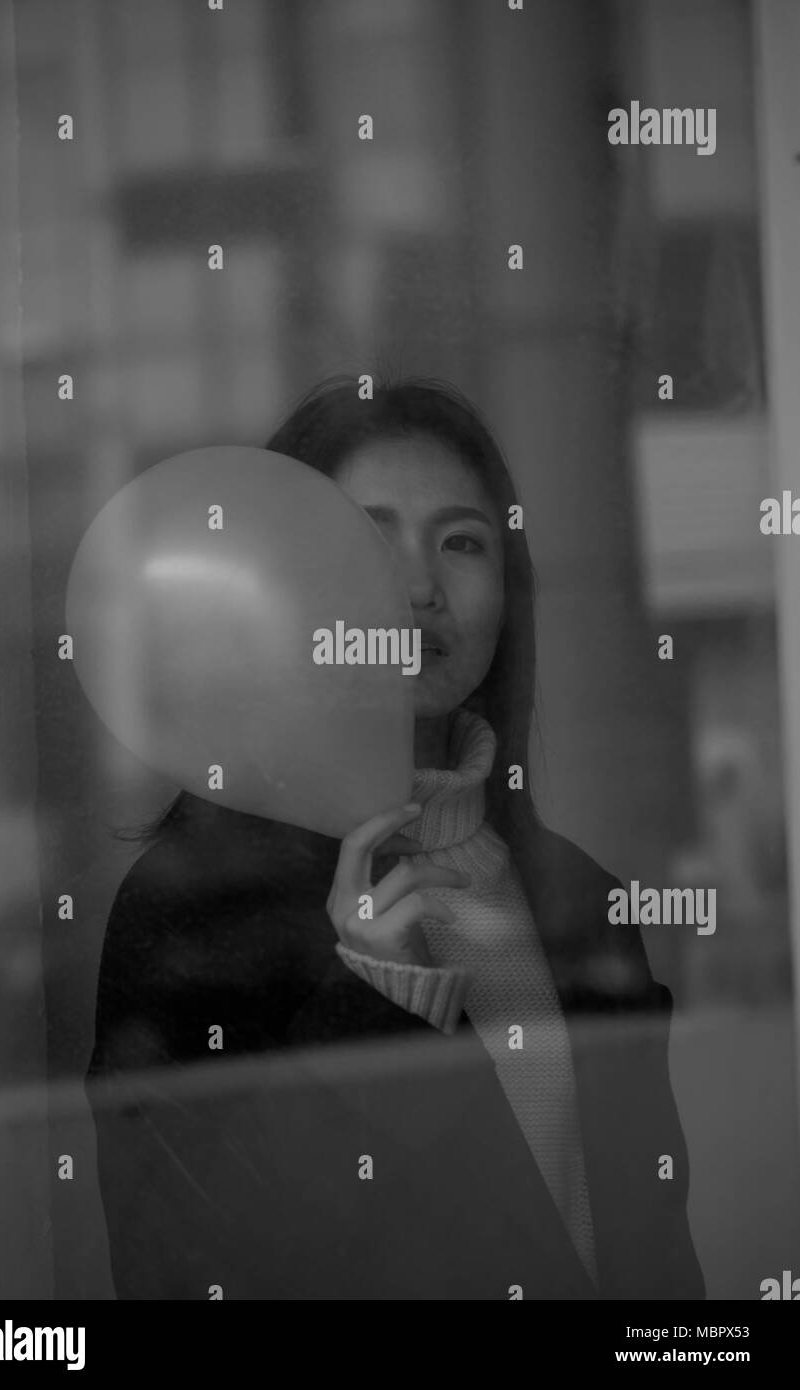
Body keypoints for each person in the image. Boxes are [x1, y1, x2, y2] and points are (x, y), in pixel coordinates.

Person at [85, 375, 705, 1301]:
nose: (417, 588)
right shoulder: (190, 908)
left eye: (462, 542)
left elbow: (655, 1272)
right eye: (367, 536)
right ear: (282, 581)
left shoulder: (581, 900)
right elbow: (182, 1271)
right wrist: (368, 1011)